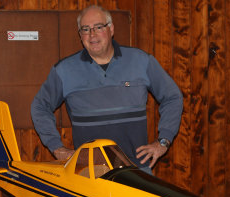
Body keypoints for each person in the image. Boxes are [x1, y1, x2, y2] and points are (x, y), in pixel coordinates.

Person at [31, 5, 183, 172]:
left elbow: (173, 97)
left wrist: (163, 141)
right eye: (86, 29)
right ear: (80, 35)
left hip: (136, 171)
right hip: (89, 175)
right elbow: (40, 107)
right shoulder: (64, 70)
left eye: (98, 27)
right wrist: (56, 147)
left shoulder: (141, 61)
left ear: (111, 29)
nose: (92, 34)